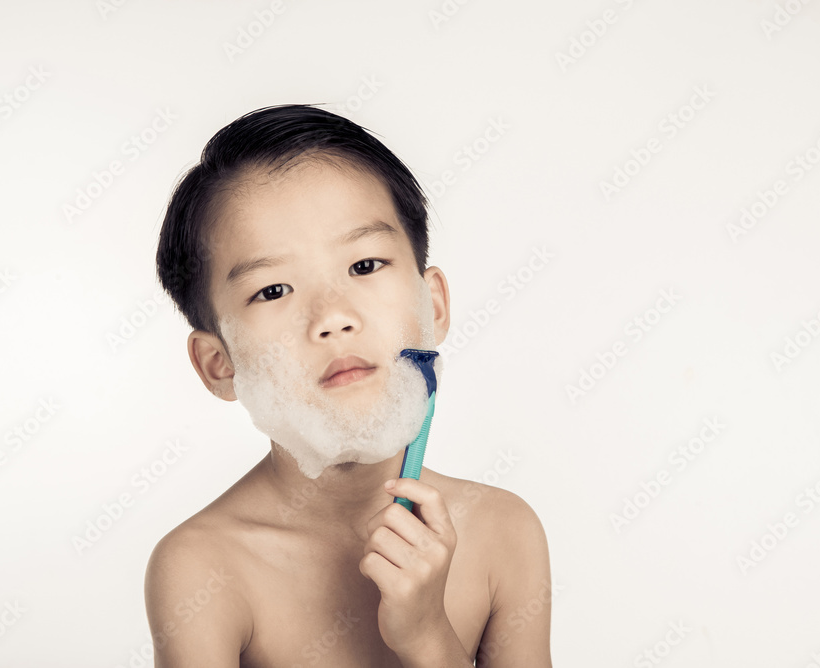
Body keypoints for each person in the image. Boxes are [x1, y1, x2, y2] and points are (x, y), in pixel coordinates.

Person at [145, 104, 552, 667]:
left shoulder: (504, 532)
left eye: (364, 266)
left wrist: (428, 635)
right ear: (220, 364)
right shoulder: (202, 568)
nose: (333, 318)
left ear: (432, 305)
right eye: (273, 290)